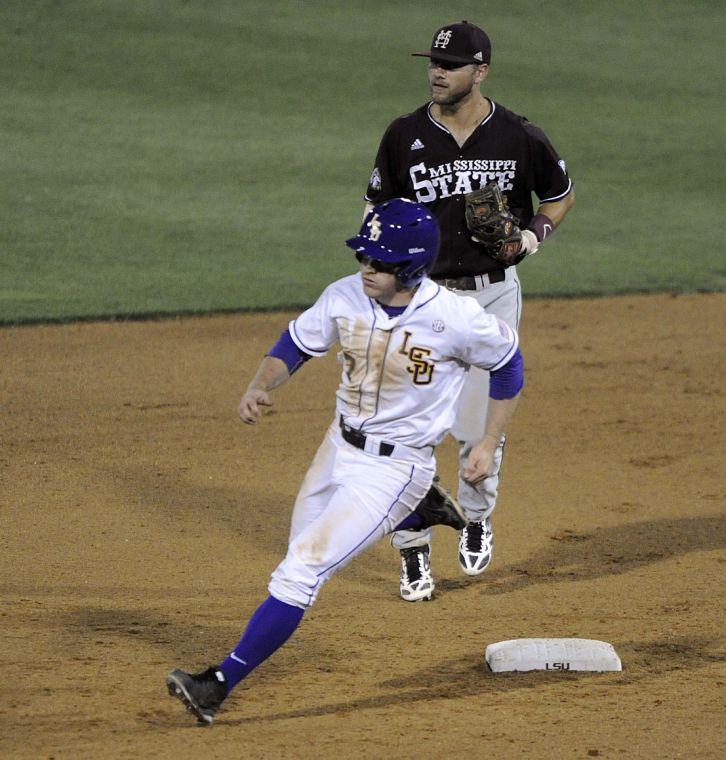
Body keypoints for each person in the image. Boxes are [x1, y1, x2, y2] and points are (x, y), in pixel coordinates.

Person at [166, 198, 524, 724]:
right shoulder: (344, 296)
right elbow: (295, 342)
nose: (366, 269)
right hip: (338, 446)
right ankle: (418, 513)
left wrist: (488, 443)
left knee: (300, 571)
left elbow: (508, 364)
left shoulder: (457, 320)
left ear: (411, 267)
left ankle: (218, 683)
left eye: (377, 262)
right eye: (364, 257)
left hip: (397, 466)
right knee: (297, 552)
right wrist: (259, 384)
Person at [363, 20, 575, 601]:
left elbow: (559, 195)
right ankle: (411, 552)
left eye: (451, 65)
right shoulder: (403, 134)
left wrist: (531, 237)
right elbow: (376, 211)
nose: (437, 72)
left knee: (480, 429)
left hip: (492, 294)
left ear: (480, 71)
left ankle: (476, 516)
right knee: (404, 432)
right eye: (433, 62)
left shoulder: (518, 136)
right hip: (421, 299)